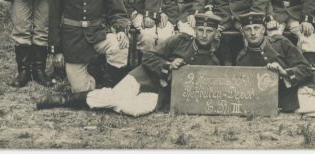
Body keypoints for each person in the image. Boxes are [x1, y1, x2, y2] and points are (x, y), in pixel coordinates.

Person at [36, 13, 222, 116]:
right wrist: (167, 65)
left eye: (209, 31)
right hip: (143, 77)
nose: (204, 35)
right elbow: (148, 57)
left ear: (215, 34)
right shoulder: (181, 40)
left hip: (159, 93)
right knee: (116, 96)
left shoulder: (213, 61)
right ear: (195, 30)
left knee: (132, 110)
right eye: (201, 30)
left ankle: (104, 98)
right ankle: (65, 99)